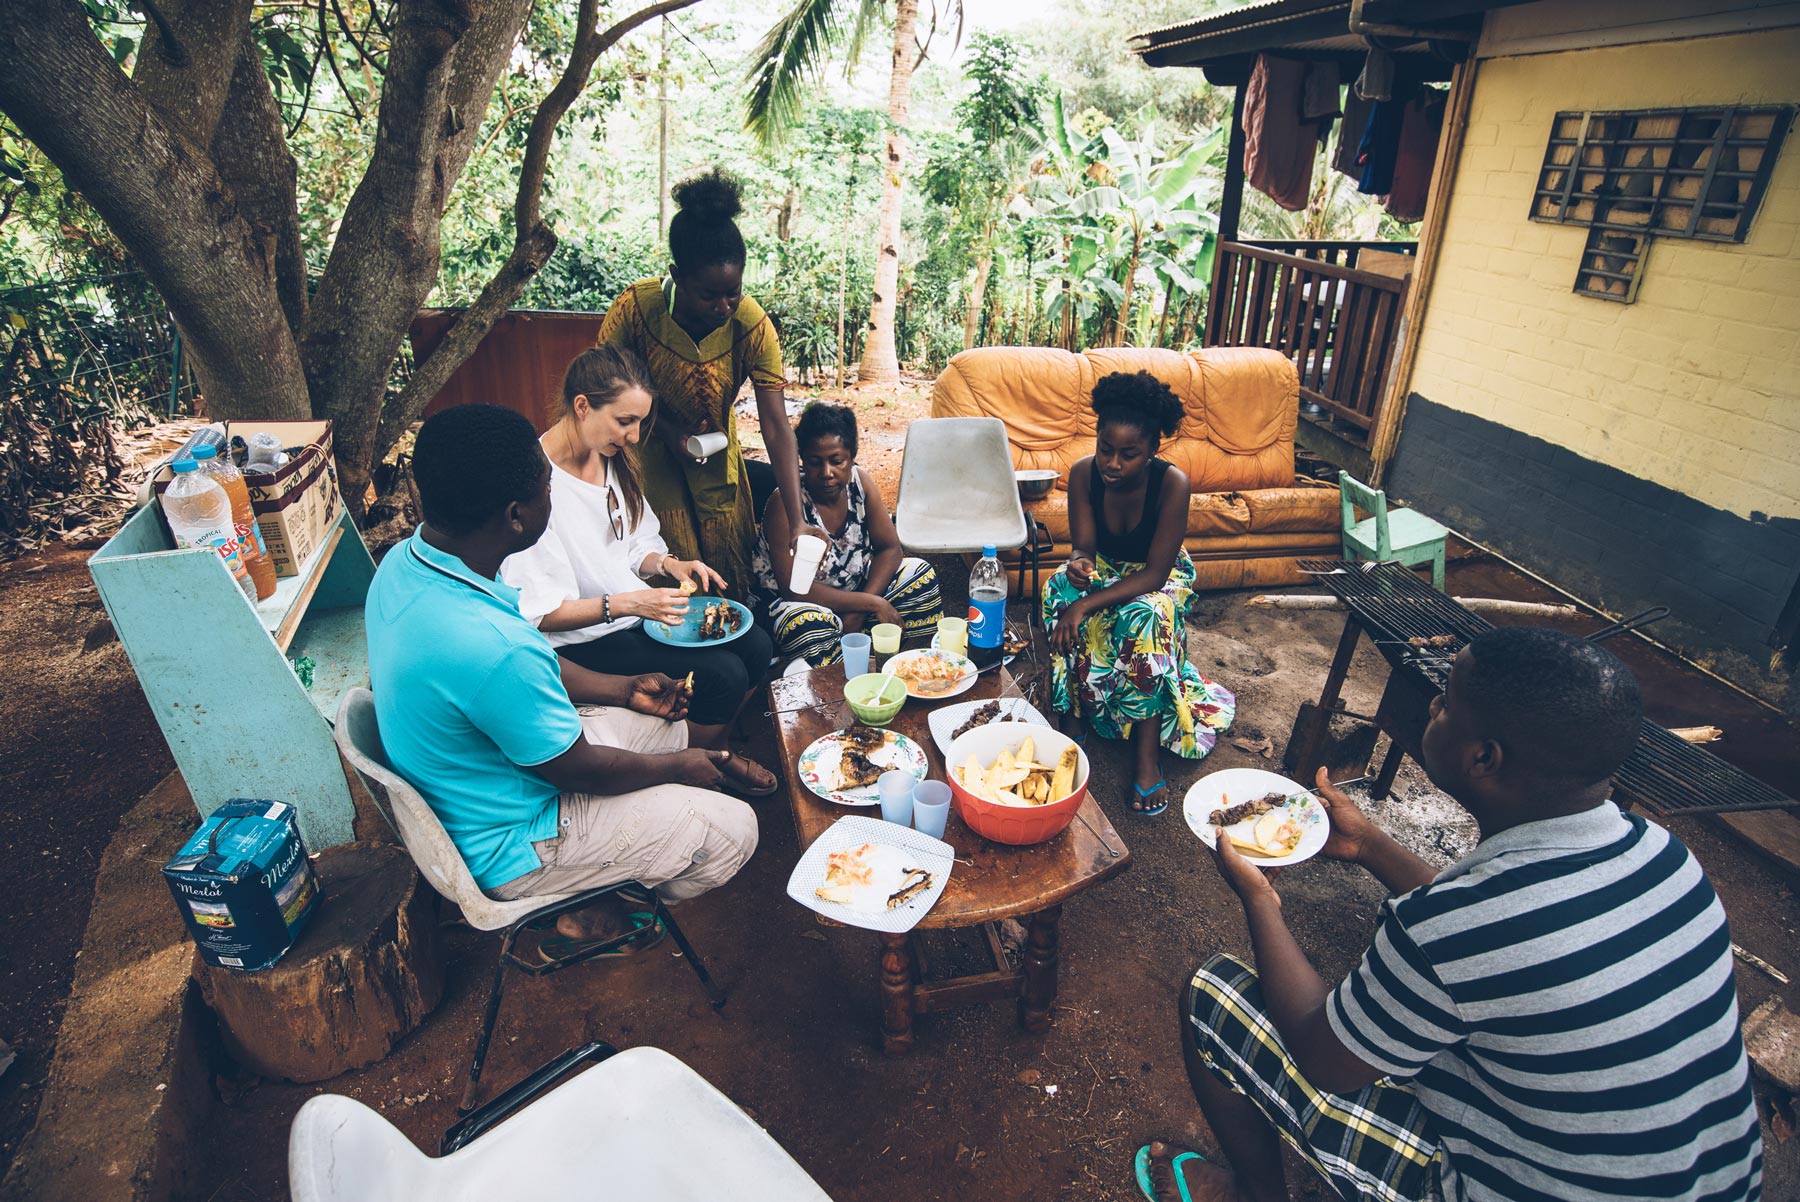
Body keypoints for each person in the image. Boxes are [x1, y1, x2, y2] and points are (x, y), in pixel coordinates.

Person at [1140, 627, 1763, 1202]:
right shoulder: (1664, 855)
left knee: (1210, 995)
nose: (1432, 707)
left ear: (1483, 758)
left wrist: (1260, 899)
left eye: (1445, 703)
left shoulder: (1460, 927)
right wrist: (1371, 845)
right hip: (1711, 1184)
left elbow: (1322, 1054)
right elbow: (1497, 944)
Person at [366, 403, 768, 957]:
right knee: (734, 829)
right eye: (546, 488)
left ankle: (609, 869)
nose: (552, 496)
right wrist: (681, 771)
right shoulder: (489, 646)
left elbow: (525, 670)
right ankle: (588, 895)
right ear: (515, 515)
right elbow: (578, 768)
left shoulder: (407, 564)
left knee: (668, 732)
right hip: (511, 842)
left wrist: (623, 690)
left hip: (474, 793)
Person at [499, 347, 777, 779]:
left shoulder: (608, 459)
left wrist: (669, 564)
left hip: (632, 617)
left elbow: (631, 545)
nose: (634, 436)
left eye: (641, 422)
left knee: (757, 645)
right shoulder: (536, 484)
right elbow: (542, 614)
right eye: (625, 421)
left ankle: (715, 751)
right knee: (721, 674)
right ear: (582, 406)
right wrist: (631, 604)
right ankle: (693, 769)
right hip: (582, 641)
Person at [595, 166, 825, 599]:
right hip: (645, 461)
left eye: (733, 291)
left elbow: (775, 426)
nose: (724, 305)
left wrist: (797, 519)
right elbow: (605, 393)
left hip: (718, 464)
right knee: (672, 582)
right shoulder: (634, 309)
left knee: (726, 582)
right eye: (709, 295)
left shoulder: (753, 325)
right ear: (677, 275)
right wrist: (668, 433)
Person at [1041, 370, 1235, 815]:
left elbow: (1154, 573)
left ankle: (1145, 756)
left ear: (1152, 449)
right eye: (1105, 449)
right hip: (1107, 570)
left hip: (1156, 576)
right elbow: (1085, 547)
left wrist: (1086, 603)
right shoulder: (1083, 474)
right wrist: (1079, 566)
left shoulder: (1172, 484)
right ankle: (1074, 714)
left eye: (1128, 454)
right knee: (1057, 590)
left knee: (1144, 617)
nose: (1113, 464)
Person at [751, 403, 941, 667]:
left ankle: (906, 668)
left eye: (836, 461)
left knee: (919, 576)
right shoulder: (784, 503)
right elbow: (794, 591)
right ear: (801, 460)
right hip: (802, 606)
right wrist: (870, 604)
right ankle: (836, 688)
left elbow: (890, 548)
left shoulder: (860, 483)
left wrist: (862, 609)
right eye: (815, 462)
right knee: (805, 624)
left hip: (857, 599)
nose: (826, 473)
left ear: (852, 457)